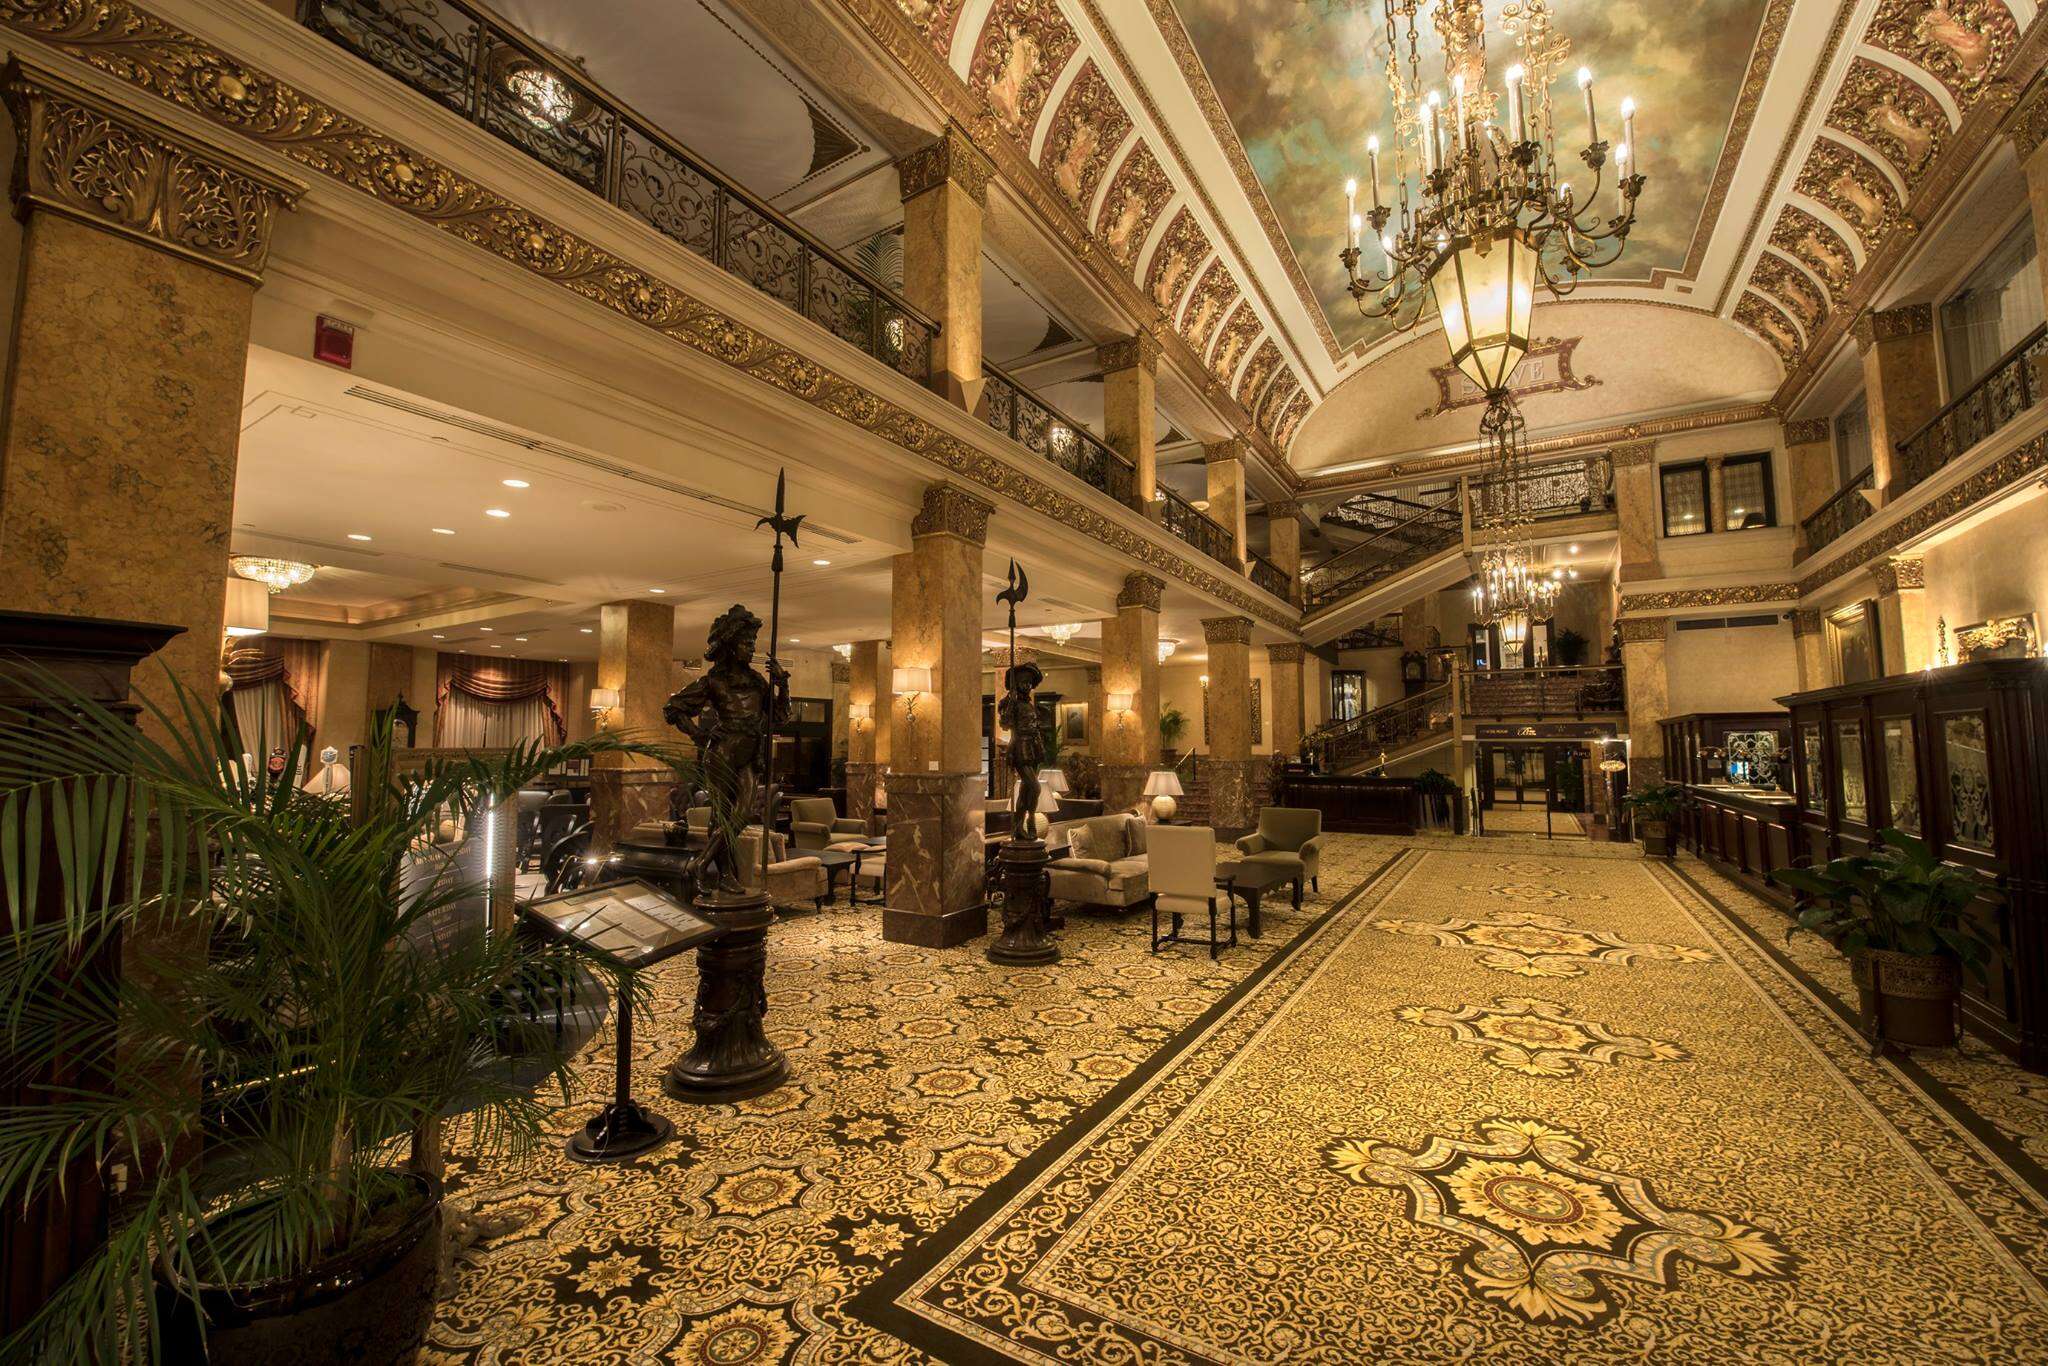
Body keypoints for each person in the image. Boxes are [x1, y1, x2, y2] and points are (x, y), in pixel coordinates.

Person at [663, 604, 789, 897]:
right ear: (730, 646)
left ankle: (701, 863)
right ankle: (725, 875)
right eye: (746, 643)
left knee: (743, 812)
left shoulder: (757, 681)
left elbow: (779, 717)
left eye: (753, 642)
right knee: (720, 817)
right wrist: (699, 735)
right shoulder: (713, 681)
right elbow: (674, 708)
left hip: (750, 753)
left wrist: (782, 683)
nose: (751, 648)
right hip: (722, 752)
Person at [998, 661, 1045, 841]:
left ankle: (1018, 827)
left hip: (1034, 746)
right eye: (1023, 683)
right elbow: (1005, 724)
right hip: (1020, 746)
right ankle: (1031, 819)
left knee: (1026, 791)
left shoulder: (1029, 705)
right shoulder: (1011, 703)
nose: (1027, 686)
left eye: (1029, 683)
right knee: (1035, 787)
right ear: (1016, 684)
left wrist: (1040, 745)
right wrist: (1011, 702)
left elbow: (1035, 726)